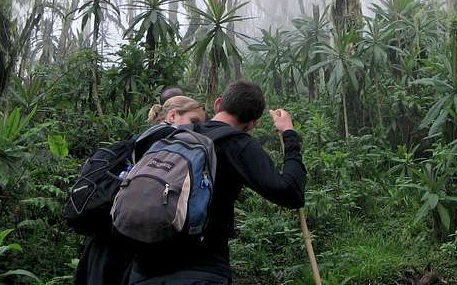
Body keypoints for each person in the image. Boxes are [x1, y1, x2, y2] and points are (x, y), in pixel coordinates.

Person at [129, 80, 306, 285]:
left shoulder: (177, 133)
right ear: (252, 124)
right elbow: (290, 192)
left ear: (218, 104)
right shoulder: (238, 143)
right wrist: (289, 134)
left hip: (143, 268)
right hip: (201, 269)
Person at [74, 96, 207, 285]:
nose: (198, 128)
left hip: (103, 238)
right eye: (194, 121)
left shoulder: (141, 138)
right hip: (124, 243)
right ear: (172, 115)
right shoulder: (166, 140)